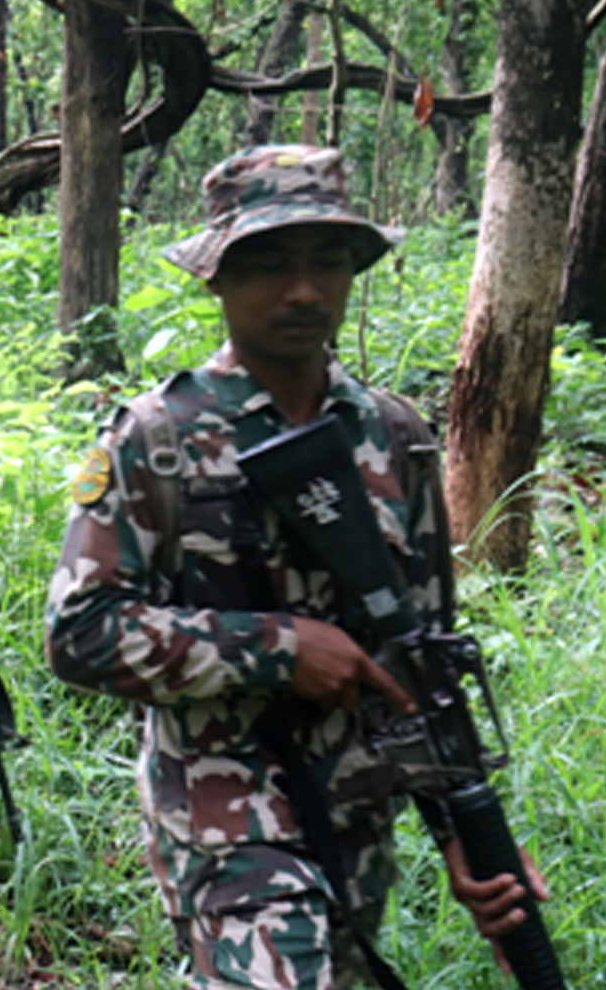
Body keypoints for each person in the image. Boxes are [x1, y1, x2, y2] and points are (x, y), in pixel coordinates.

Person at [44, 145, 549, 989]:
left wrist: (466, 828)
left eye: (327, 262)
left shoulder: (394, 436)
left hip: (357, 812)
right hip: (222, 815)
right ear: (217, 276)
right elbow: (80, 634)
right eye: (271, 264)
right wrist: (279, 647)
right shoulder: (157, 440)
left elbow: (420, 656)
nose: (304, 289)